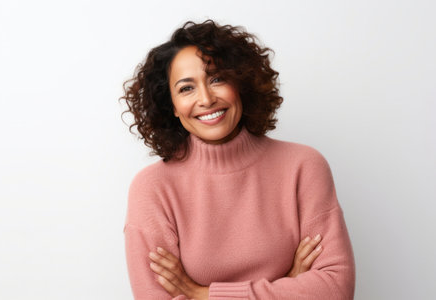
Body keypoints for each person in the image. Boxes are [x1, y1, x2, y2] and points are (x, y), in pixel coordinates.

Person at [120, 19, 355, 300]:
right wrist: (289, 283)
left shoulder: (303, 167)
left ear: (240, 82)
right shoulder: (153, 188)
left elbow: (335, 289)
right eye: (186, 88)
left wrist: (204, 295)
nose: (206, 99)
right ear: (171, 106)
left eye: (217, 79)